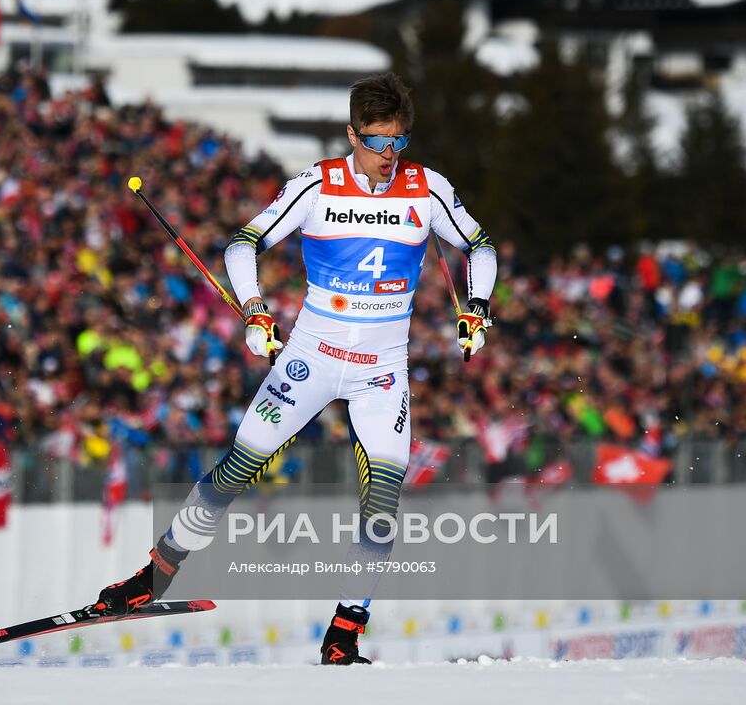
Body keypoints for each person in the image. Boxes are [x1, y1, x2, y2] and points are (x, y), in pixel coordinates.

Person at [95, 72, 498, 664]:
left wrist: (478, 309)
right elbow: (244, 242)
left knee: (382, 505)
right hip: (311, 356)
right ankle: (152, 577)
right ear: (352, 135)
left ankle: (345, 631)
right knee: (239, 466)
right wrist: (256, 309)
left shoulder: (427, 188)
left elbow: (480, 246)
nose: (390, 157)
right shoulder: (317, 185)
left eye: (400, 142)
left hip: (381, 373)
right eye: (379, 142)